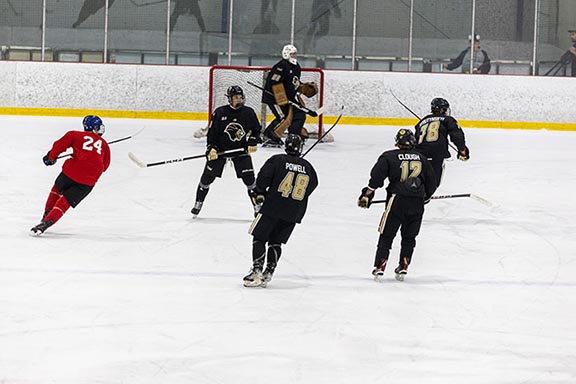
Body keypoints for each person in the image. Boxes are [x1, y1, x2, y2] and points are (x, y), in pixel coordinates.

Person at [357, 129, 437, 282]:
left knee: (386, 234)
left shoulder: (389, 156)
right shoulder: (422, 158)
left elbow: (376, 178)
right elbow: (431, 182)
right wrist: (424, 196)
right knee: (409, 236)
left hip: (397, 200)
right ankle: (404, 263)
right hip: (417, 202)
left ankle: (381, 264)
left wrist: (367, 194)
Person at [243, 134, 318, 288]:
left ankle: (257, 270)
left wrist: (260, 192)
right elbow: (312, 185)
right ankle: (269, 272)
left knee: (259, 236)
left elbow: (263, 180)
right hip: (294, 211)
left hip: (273, 207)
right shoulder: (308, 167)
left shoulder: (277, 160)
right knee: (276, 242)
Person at [31, 115, 111, 235]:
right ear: (94, 128)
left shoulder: (75, 135)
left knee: (56, 190)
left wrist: (50, 157)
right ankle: (45, 224)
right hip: (88, 181)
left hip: (71, 172)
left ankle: (46, 215)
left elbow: (59, 145)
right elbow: (105, 166)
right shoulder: (104, 144)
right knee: (65, 202)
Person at [191, 85, 261, 218]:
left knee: (250, 180)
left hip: (240, 151)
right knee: (206, 179)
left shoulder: (249, 112)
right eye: (236, 98)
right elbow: (212, 134)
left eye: (241, 97)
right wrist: (211, 148)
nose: (239, 100)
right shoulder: (220, 112)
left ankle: (257, 207)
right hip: (220, 151)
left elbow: (256, 130)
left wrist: (252, 141)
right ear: (229, 99)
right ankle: (198, 203)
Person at [261, 44, 319, 146]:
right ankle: (269, 136)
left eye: (295, 54)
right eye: (291, 54)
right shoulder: (281, 66)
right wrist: (281, 98)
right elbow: (274, 82)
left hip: (289, 98)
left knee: (299, 114)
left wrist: (302, 87)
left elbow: (294, 82)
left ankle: (294, 136)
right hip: (274, 98)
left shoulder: (296, 66)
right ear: (286, 54)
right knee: (282, 117)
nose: (294, 56)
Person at [414, 97, 470, 187]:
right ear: (442, 109)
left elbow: (415, 139)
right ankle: (423, 197)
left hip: (419, 154)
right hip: (437, 153)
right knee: (433, 184)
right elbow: (457, 135)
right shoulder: (448, 119)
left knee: (417, 181)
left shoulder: (422, 122)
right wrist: (462, 150)